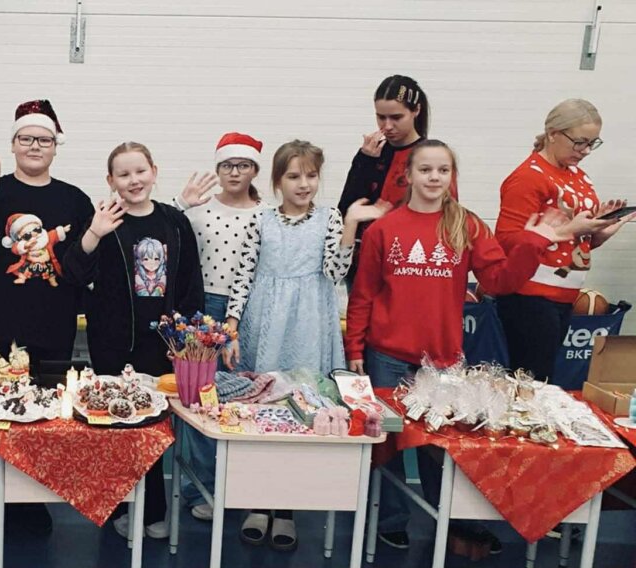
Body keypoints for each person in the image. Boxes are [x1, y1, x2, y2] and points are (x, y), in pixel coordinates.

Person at [345, 140, 571, 551]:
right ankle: (390, 519)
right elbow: (363, 294)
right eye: (426, 170)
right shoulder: (383, 229)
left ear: (452, 177)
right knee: (386, 446)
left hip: (442, 361)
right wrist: (355, 349)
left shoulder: (466, 225)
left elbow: (499, 281)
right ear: (408, 176)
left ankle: (449, 521)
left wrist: (533, 242)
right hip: (386, 355)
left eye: (443, 170)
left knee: (441, 447)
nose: (434, 177)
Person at [225, 140, 387, 550]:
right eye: (294, 176)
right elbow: (243, 274)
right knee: (263, 408)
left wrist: (350, 225)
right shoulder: (261, 219)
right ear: (277, 181)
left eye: (311, 176)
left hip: (310, 324)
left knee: (303, 412)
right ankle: (257, 502)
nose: (304, 184)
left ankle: (287, 509)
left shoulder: (329, 217)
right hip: (265, 322)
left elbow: (335, 271)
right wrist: (232, 324)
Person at [0, 100, 93, 534]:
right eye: (26, 138)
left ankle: (33, 500)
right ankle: (8, 502)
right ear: (13, 144)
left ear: (56, 146)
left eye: (44, 139)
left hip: (53, 330)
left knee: (45, 422)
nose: (35, 146)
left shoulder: (74, 199)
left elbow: (89, 262)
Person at [61, 142, 203, 540]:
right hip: (114, 345)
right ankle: (120, 509)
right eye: (123, 174)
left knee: (153, 430)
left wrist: (185, 342)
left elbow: (190, 285)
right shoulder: (104, 221)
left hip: (162, 347)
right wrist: (94, 233)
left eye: (140, 171)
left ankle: (154, 510)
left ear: (154, 171)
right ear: (111, 181)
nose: (133, 180)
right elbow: (73, 273)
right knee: (118, 429)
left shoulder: (175, 222)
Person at [494, 99, 633, 383]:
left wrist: (600, 230)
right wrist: (570, 229)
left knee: (540, 380)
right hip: (529, 295)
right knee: (533, 383)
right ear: (553, 133)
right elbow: (506, 240)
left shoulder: (579, 177)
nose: (585, 151)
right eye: (579, 142)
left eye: (592, 143)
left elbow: (574, 242)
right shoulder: (528, 177)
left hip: (563, 293)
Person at [170, 131, 268, 521]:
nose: (235, 172)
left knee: (245, 396)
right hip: (204, 309)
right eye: (227, 165)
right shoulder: (198, 211)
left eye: (243, 165)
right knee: (200, 398)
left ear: (254, 170)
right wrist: (180, 203)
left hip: (250, 310)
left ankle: (244, 490)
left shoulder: (267, 215)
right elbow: (161, 235)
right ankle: (201, 489)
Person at [338, 75, 457, 285]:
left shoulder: (431, 155)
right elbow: (344, 210)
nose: (387, 126)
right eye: (380, 117)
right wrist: (364, 162)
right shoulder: (371, 152)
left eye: (396, 117)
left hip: (409, 261)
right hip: (364, 261)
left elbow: (447, 215)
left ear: (416, 110)